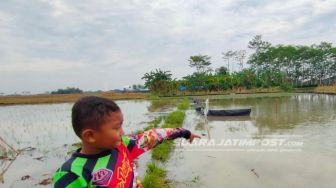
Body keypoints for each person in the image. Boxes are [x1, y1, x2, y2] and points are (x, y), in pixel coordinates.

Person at [53, 96, 200, 188]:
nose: (122, 132)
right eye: (117, 128)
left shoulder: (124, 146)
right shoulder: (71, 173)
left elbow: (155, 135)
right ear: (90, 136)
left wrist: (185, 133)